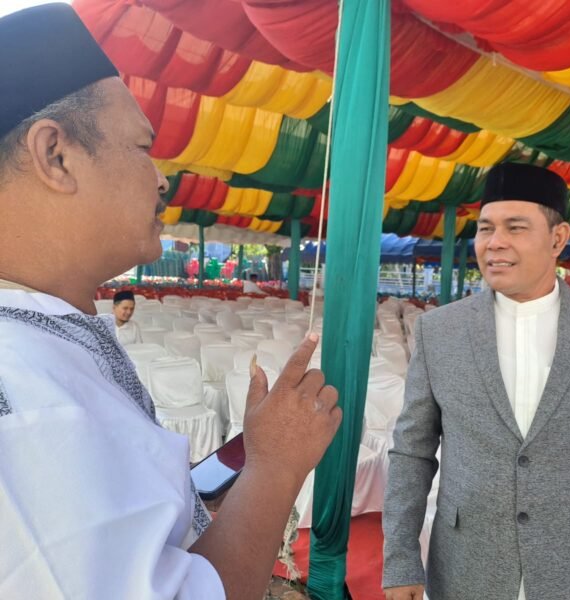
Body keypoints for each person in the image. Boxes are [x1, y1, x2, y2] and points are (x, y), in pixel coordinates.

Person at [0, 6, 341, 599]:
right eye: (141, 147)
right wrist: (276, 469)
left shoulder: (43, 339)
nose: (162, 179)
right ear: (55, 155)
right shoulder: (21, 391)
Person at [383, 163, 570, 600]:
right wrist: (400, 560)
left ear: (557, 238)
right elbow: (412, 451)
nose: (495, 243)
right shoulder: (440, 331)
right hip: (467, 569)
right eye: (485, 228)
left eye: (516, 227)